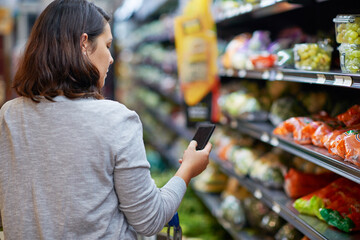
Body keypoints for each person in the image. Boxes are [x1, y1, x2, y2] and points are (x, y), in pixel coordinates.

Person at [0, 0, 212, 239]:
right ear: (84, 43)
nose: (111, 58)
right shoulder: (116, 120)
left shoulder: (9, 115)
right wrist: (187, 170)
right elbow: (150, 220)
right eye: (107, 45)